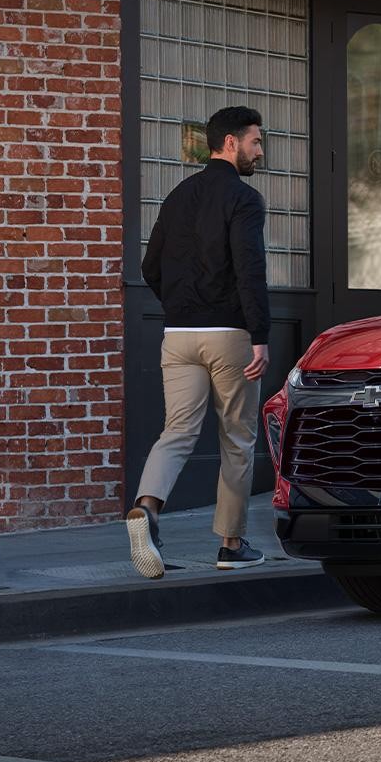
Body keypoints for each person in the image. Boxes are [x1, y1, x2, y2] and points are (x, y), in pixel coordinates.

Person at [129, 106, 273, 578]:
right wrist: (261, 336)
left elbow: (151, 268)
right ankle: (231, 544)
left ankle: (146, 509)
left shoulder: (177, 196)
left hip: (179, 334)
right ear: (230, 143)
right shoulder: (244, 199)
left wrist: (180, 306)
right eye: (255, 141)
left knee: (177, 431)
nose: (260, 149)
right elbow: (250, 269)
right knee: (237, 437)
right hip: (229, 334)